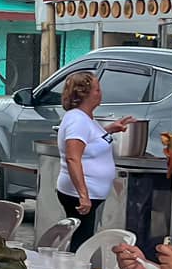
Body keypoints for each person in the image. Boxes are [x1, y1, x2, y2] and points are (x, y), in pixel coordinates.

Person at [53, 69, 130, 252]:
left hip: (91, 192)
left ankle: (77, 267)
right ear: (84, 94)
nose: (100, 93)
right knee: (81, 243)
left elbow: (91, 141)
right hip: (79, 193)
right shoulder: (77, 120)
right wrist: (83, 195)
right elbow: (73, 158)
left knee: (84, 238)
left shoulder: (86, 118)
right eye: (97, 89)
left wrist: (109, 129)